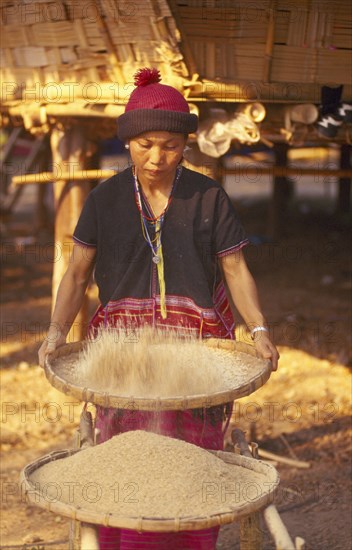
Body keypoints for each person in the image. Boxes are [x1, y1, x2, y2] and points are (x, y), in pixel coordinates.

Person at [39, 67, 279, 550]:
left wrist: (259, 330)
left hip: (197, 349)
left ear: (184, 146)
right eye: (145, 144)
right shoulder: (105, 199)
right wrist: (54, 332)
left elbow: (235, 270)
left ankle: (189, 541)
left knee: (193, 455)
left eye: (169, 145)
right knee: (123, 453)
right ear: (128, 142)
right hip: (122, 351)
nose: (156, 156)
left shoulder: (207, 195)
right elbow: (78, 273)